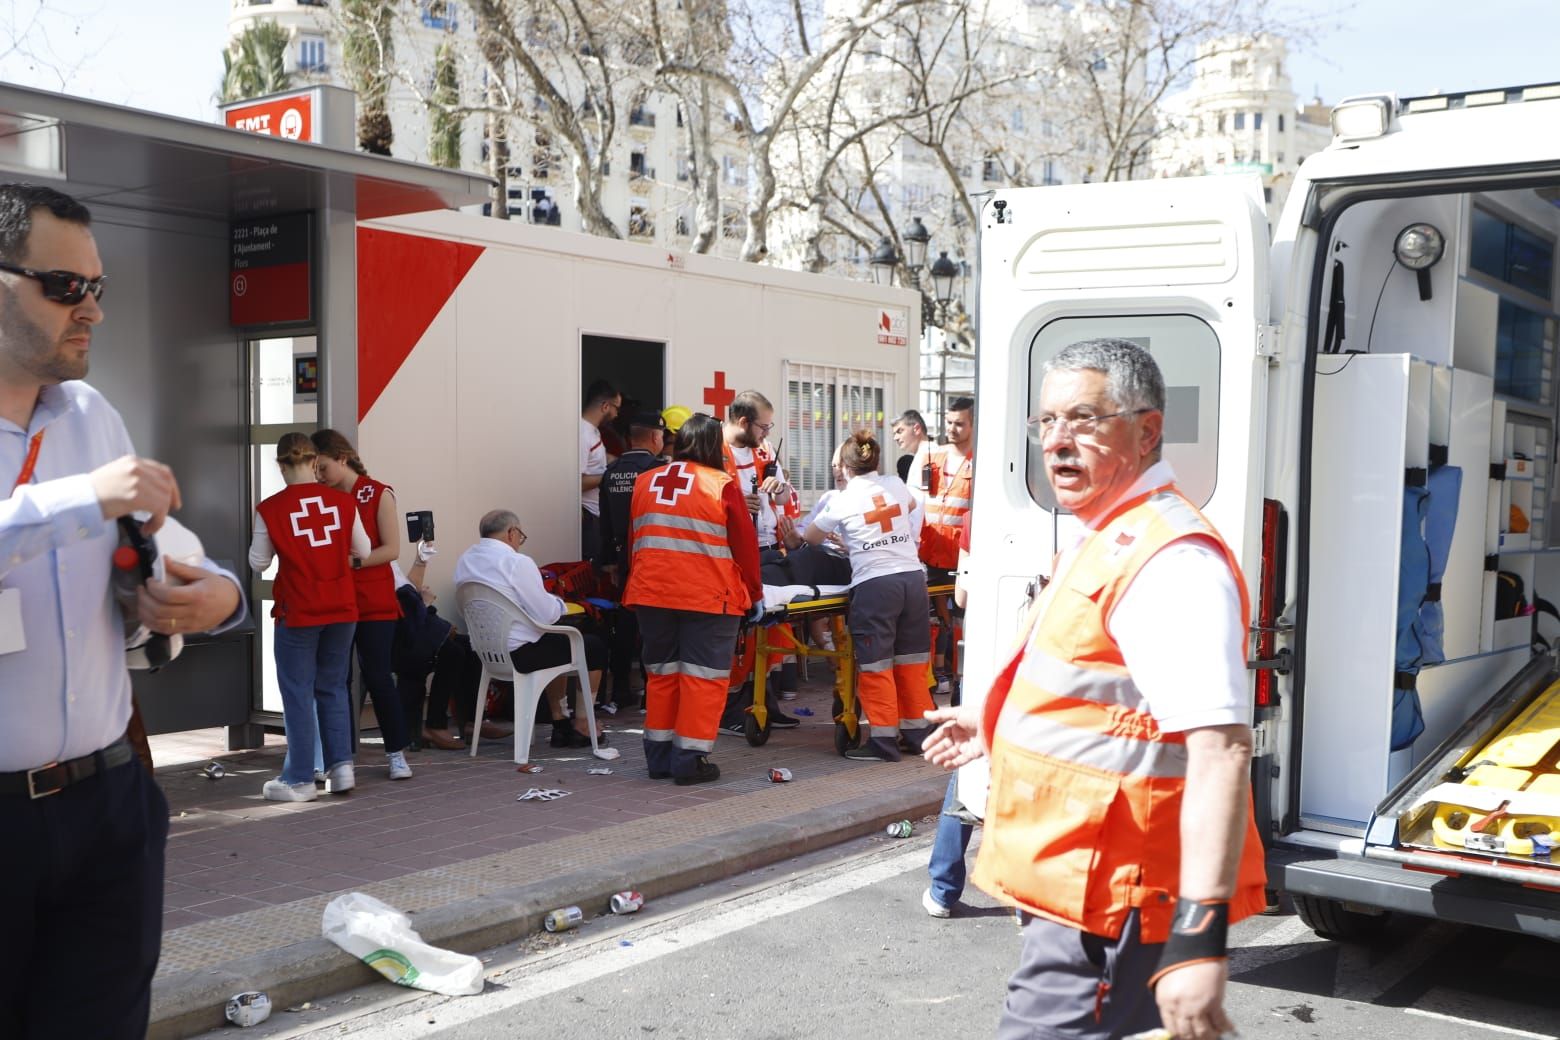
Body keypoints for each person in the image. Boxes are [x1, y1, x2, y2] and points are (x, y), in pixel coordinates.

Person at [920, 339, 1266, 1040]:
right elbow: (1104, 694)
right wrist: (991, 721)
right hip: (1082, 889)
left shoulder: (1170, 559)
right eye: (1045, 423)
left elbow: (1220, 750)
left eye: (1083, 419)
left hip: (1112, 901)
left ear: (1146, 429)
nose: (1057, 442)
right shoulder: (1106, 533)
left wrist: (1198, 938)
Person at [0, 182, 246, 1039]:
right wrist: (79, 500)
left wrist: (216, 596)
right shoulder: (86, 467)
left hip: (107, 807)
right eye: (66, 287)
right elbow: (94, 502)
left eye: (99, 288)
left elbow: (170, 541)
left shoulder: (91, 417)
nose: (92, 312)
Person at [625, 412, 762, 784]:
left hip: (652, 594)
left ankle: (658, 758)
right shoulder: (721, 484)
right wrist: (754, 593)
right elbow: (745, 549)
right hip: (707, 596)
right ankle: (690, 761)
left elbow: (637, 540)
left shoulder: (645, 482)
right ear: (713, 446)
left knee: (662, 675)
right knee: (703, 679)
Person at [784, 431, 931, 761]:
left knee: (876, 665)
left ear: (845, 468)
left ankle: (883, 742)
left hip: (876, 586)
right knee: (911, 662)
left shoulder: (843, 499)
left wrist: (800, 536)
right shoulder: (894, 484)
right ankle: (917, 733)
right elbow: (907, 506)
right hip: (911, 580)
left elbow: (810, 536)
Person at [248, 433, 368, 800]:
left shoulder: (270, 509)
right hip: (342, 608)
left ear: (281, 465)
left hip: (299, 610)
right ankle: (342, 767)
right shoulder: (343, 502)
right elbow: (362, 549)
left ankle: (300, 778)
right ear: (315, 463)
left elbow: (258, 562)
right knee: (332, 687)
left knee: (298, 693)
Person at [452, 510, 610, 748]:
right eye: (520, 536)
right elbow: (546, 613)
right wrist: (558, 603)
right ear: (511, 533)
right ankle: (583, 723)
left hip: (487, 654)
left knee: (552, 640)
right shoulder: (516, 562)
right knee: (593, 647)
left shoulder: (466, 559)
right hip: (522, 654)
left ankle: (560, 723)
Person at [312, 428, 413, 783]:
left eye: (323, 468)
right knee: (334, 679)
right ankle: (337, 757)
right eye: (314, 471)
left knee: (378, 676)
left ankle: (396, 753)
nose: (319, 477)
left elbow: (391, 550)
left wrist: (351, 562)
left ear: (341, 458)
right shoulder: (319, 497)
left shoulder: (377, 493)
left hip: (374, 601)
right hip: (334, 601)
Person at [720, 389, 802, 727]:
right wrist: (740, 504)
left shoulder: (764, 449)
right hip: (734, 551)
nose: (766, 434)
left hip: (768, 547)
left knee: (769, 628)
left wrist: (776, 489)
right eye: (763, 427)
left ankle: (764, 701)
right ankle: (733, 707)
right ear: (743, 422)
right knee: (742, 632)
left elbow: (784, 494)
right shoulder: (716, 451)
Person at [597, 410, 667, 711]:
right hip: (652, 557)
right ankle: (653, 693)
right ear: (654, 437)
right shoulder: (656, 471)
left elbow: (604, 522)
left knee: (624, 624)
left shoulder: (611, 473)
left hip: (623, 559)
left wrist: (609, 561)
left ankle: (621, 689)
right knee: (655, 627)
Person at [391, 542, 486, 751]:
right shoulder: (369, 555)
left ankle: (471, 720)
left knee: (470, 647)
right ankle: (435, 724)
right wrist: (422, 604)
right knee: (452, 651)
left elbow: (404, 589)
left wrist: (421, 560)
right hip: (392, 632)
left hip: (407, 622)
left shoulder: (386, 554)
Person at [914, 395, 973, 694]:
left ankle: (958, 673)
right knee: (930, 617)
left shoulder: (981, 463)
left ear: (974, 425)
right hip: (929, 551)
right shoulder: (932, 459)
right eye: (949, 422)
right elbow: (917, 503)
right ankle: (934, 673)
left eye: (960, 423)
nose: (952, 429)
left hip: (960, 555)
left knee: (960, 617)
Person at [580, 379, 621, 561]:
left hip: (597, 516)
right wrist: (610, 475)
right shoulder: (582, 433)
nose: (617, 414)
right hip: (587, 518)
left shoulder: (593, 432)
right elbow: (577, 483)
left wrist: (619, 462)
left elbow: (596, 462)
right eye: (616, 408)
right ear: (605, 406)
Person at [891, 408, 929, 482]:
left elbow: (928, 492)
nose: (895, 438)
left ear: (917, 429)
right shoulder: (920, 457)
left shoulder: (930, 457)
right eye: (894, 434)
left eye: (900, 431)